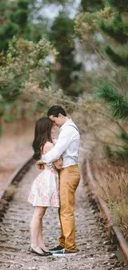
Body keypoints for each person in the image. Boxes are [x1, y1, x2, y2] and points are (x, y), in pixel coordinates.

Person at [38, 105, 80, 256]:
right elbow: (60, 146)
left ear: (60, 115)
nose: (53, 124)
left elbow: (57, 152)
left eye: (54, 120)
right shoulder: (67, 129)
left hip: (69, 172)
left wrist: (42, 160)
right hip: (67, 172)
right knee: (63, 209)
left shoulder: (68, 129)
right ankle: (64, 243)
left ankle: (69, 247)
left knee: (66, 210)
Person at [28, 116, 62, 257]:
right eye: (51, 125)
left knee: (40, 215)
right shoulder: (49, 145)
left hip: (45, 178)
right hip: (47, 180)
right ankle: (34, 244)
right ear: (47, 128)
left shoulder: (46, 143)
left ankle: (40, 244)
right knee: (38, 214)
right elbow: (59, 164)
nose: (54, 127)